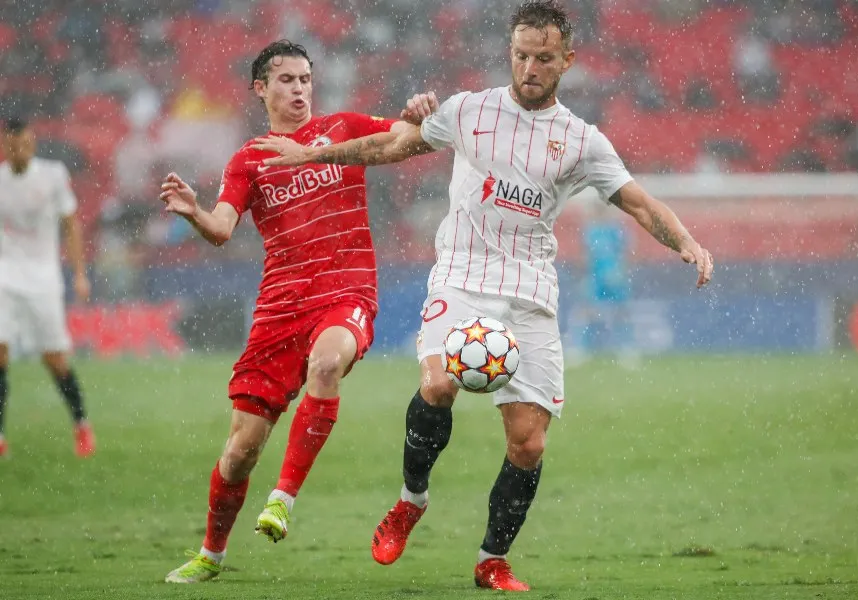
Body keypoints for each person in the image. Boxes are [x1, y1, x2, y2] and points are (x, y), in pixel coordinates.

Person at [251, 2, 714, 591]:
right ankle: (410, 500)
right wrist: (315, 154)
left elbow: (640, 202)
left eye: (543, 58)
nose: (529, 67)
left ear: (566, 61)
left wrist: (688, 243)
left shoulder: (581, 141)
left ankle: (491, 559)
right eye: (521, 54)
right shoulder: (469, 110)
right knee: (438, 382)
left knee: (529, 442)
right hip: (462, 276)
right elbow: (393, 146)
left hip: (530, 292)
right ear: (510, 52)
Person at [161, 40, 434, 584]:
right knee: (239, 452)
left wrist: (418, 116)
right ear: (261, 89)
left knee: (328, 366)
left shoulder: (343, 127)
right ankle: (211, 555)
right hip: (280, 308)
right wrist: (193, 211)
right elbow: (220, 229)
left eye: (306, 79)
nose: (300, 90)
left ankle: (282, 499)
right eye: (286, 80)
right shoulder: (248, 159)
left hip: (346, 293)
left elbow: (411, 142)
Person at [0, 116, 95, 459]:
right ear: (4, 147)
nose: (18, 151)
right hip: (5, 276)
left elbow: (70, 225)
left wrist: (80, 273)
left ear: (32, 143)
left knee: (54, 358)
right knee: (0, 353)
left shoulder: (53, 175)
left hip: (43, 277)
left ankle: (81, 423)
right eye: (11, 146)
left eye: (23, 144)